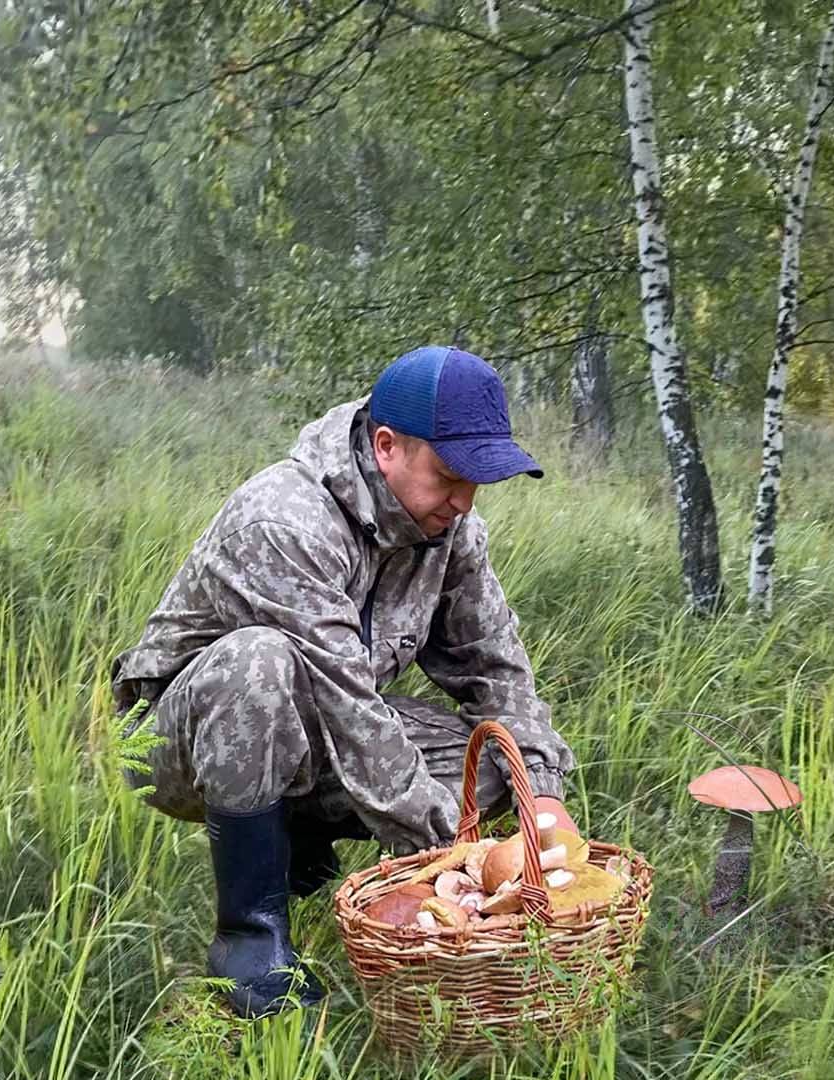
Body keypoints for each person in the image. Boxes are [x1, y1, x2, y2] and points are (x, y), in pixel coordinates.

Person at [109, 345, 576, 1019]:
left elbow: (494, 661)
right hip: (178, 747)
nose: (465, 501)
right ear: (386, 447)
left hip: (313, 724)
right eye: (450, 475)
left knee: (497, 764)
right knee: (259, 664)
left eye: (478, 481)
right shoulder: (283, 519)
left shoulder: (449, 528)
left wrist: (543, 799)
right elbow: (348, 707)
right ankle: (250, 943)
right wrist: (458, 859)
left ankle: (300, 841)